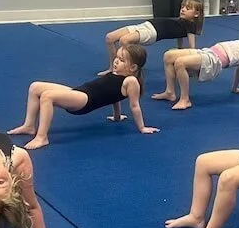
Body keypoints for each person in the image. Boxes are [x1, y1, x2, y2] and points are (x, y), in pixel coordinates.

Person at [8, 44, 157, 150]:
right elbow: (115, 96)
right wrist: (117, 117)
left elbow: (134, 105)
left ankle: (42, 137)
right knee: (35, 87)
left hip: (85, 100)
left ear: (133, 67)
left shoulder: (131, 81)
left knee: (47, 96)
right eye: (116, 57)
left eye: (122, 60)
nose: (116, 61)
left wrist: (142, 127)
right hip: (79, 91)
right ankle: (29, 126)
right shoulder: (117, 73)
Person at [152, 16, 239, 110]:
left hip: (215, 60)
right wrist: (234, 88)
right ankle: (170, 92)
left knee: (180, 63)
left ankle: (185, 99)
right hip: (208, 51)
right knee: (168, 56)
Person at [100, 0, 204, 74]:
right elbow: (179, 35)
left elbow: (192, 47)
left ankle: (127, 69)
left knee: (124, 41)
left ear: (196, 14)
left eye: (188, 8)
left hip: (152, 32)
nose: (183, 9)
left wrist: (190, 62)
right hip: (145, 25)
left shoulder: (191, 26)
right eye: (182, 7)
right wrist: (179, 47)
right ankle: (112, 68)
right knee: (110, 37)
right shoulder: (182, 22)